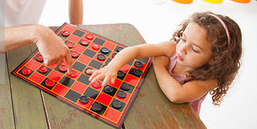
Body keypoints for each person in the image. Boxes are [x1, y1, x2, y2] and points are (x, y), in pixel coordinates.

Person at [88, 12, 242, 115]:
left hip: (178, 119)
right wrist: (112, 67)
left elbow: (176, 95)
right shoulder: (171, 48)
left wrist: (159, 66)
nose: (182, 49)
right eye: (183, 39)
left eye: (194, 49)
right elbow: (135, 51)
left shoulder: (208, 80)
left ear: (216, 58)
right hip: (152, 102)